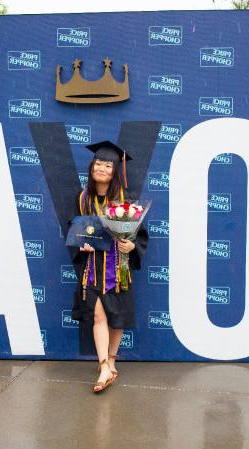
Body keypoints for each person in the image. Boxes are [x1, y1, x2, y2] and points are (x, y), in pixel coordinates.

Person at [69, 141, 148, 393]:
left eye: (107, 165)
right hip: (93, 267)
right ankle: (103, 365)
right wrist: (82, 246)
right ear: (92, 167)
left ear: (114, 171)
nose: (101, 168)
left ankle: (112, 361)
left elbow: (140, 234)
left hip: (118, 267)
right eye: (98, 164)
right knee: (98, 315)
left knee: (118, 317)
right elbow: (77, 229)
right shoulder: (83, 198)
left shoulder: (126, 199)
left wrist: (132, 247)